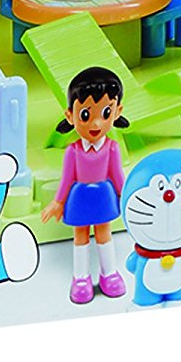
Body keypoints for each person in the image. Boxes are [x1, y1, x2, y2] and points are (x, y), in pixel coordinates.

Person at [41, 66, 129, 303]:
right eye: (86, 115)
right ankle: (80, 278)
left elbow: (117, 175)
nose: (96, 123)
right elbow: (67, 178)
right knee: (80, 235)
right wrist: (58, 202)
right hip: (79, 197)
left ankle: (109, 273)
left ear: (117, 111)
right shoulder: (73, 151)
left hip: (104, 196)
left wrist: (126, 196)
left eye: (106, 112)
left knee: (104, 233)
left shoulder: (112, 148)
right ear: (70, 116)